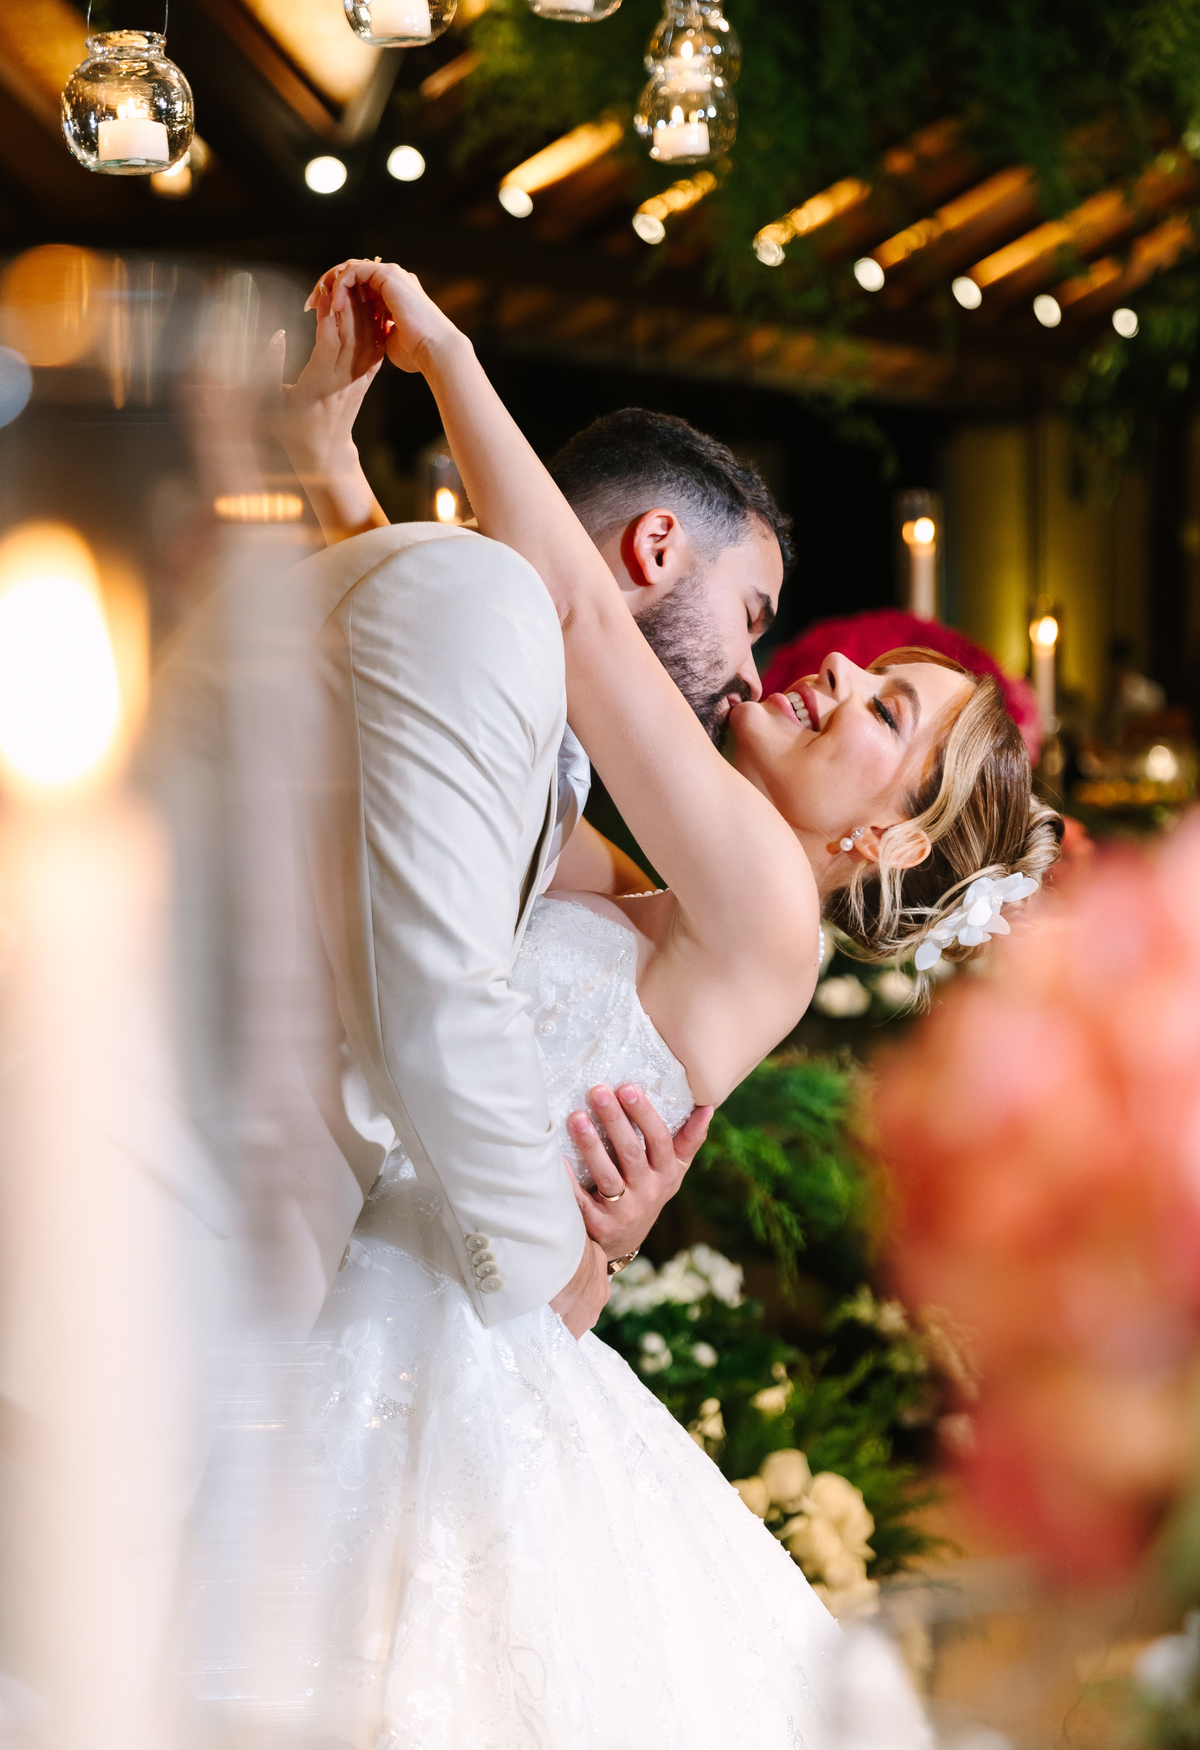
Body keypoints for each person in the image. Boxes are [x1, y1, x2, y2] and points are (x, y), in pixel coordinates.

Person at [251, 264, 1061, 1749]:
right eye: (870, 675)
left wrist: (447, 356)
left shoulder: (768, 911)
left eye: (883, 717)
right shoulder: (642, 889)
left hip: (443, 1329)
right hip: (413, 1289)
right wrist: (325, 466)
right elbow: (428, 704)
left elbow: (574, 613)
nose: (828, 683)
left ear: (878, 845)